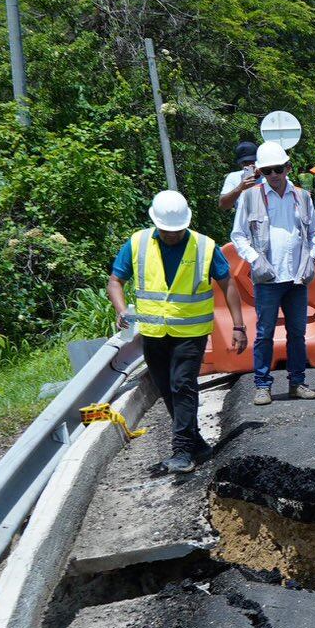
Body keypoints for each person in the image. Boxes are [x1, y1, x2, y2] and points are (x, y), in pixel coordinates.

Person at [107, 190, 246, 474]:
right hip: (154, 332)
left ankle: (182, 452)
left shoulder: (204, 246)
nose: (172, 235)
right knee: (168, 390)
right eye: (166, 230)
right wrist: (121, 310)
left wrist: (239, 325)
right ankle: (197, 444)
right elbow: (115, 281)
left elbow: (228, 284)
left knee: (183, 385)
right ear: (155, 223)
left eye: (177, 230)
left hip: (191, 332)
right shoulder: (138, 242)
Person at [230, 140, 315, 405]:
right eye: (267, 170)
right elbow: (238, 235)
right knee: (264, 333)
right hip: (268, 279)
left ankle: (297, 382)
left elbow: (314, 233)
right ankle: (262, 385)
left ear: (288, 168)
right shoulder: (250, 197)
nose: (273, 175)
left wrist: (311, 259)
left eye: (278, 169)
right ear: (260, 171)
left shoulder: (301, 197)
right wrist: (255, 260)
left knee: (297, 333)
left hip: (297, 278)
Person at [216, 140, 259, 210]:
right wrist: (240, 188)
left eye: (252, 161)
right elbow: (223, 206)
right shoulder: (233, 177)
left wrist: (263, 173)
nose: (250, 165)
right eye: (245, 162)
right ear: (240, 163)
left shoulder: (268, 174)